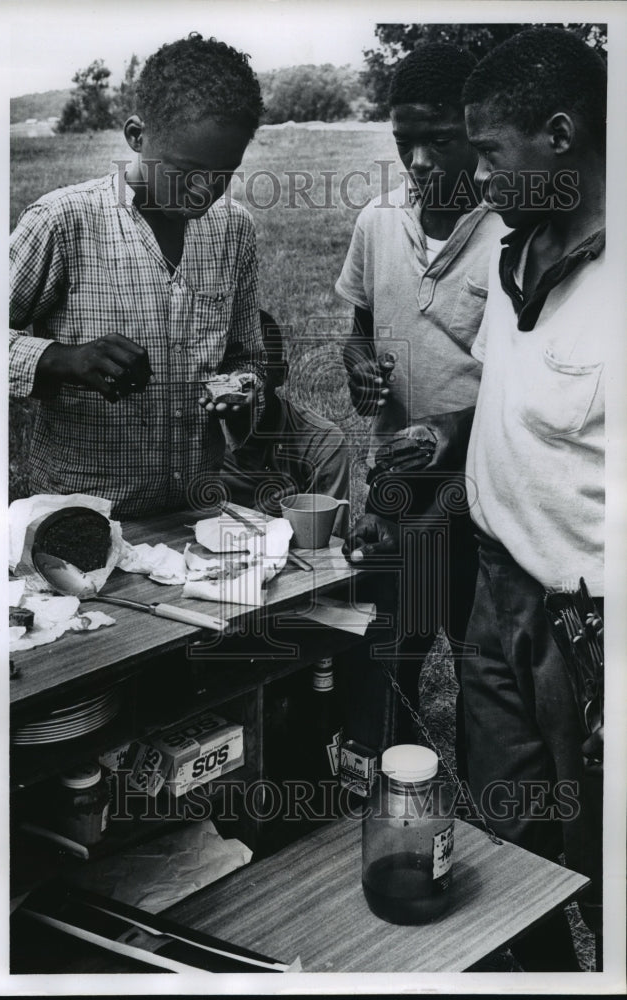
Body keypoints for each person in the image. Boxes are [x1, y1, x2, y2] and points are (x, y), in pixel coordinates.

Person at [457, 27, 606, 971]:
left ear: (558, 133)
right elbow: (502, 397)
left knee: (603, 845)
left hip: (590, 628)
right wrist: (439, 436)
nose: (475, 175)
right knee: (506, 840)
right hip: (496, 593)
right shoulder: (511, 250)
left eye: (487, 149)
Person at [9, 33, 266, 518]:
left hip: (192, 515)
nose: (203, 191)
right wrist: (62, 360)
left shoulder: (235, 230)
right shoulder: (64, 222)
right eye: (187, 170)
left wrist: (241, 389)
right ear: (136, 136)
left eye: (224, 174)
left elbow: (247, 357)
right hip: (80, 519)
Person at [336, 43, 506, 757]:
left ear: (476, 130)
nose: (422, 162)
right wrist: (358, 364)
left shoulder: (510, 234)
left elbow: (522, 385)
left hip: (483, 491)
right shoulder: (379, 220)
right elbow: (360, 328)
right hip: (397, 484)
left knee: (480, 664)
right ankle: (385, 777)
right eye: (406, 142)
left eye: (440, 140)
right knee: (388, 644)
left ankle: (481, 812)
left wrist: (452, 428)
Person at [219, 309, 350, 536]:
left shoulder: (322, 443)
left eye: (257, 370)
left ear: (281, 374)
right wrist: (266, 518)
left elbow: (327, 547)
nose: (240, 383)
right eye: (228, 369)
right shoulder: (197, 439)